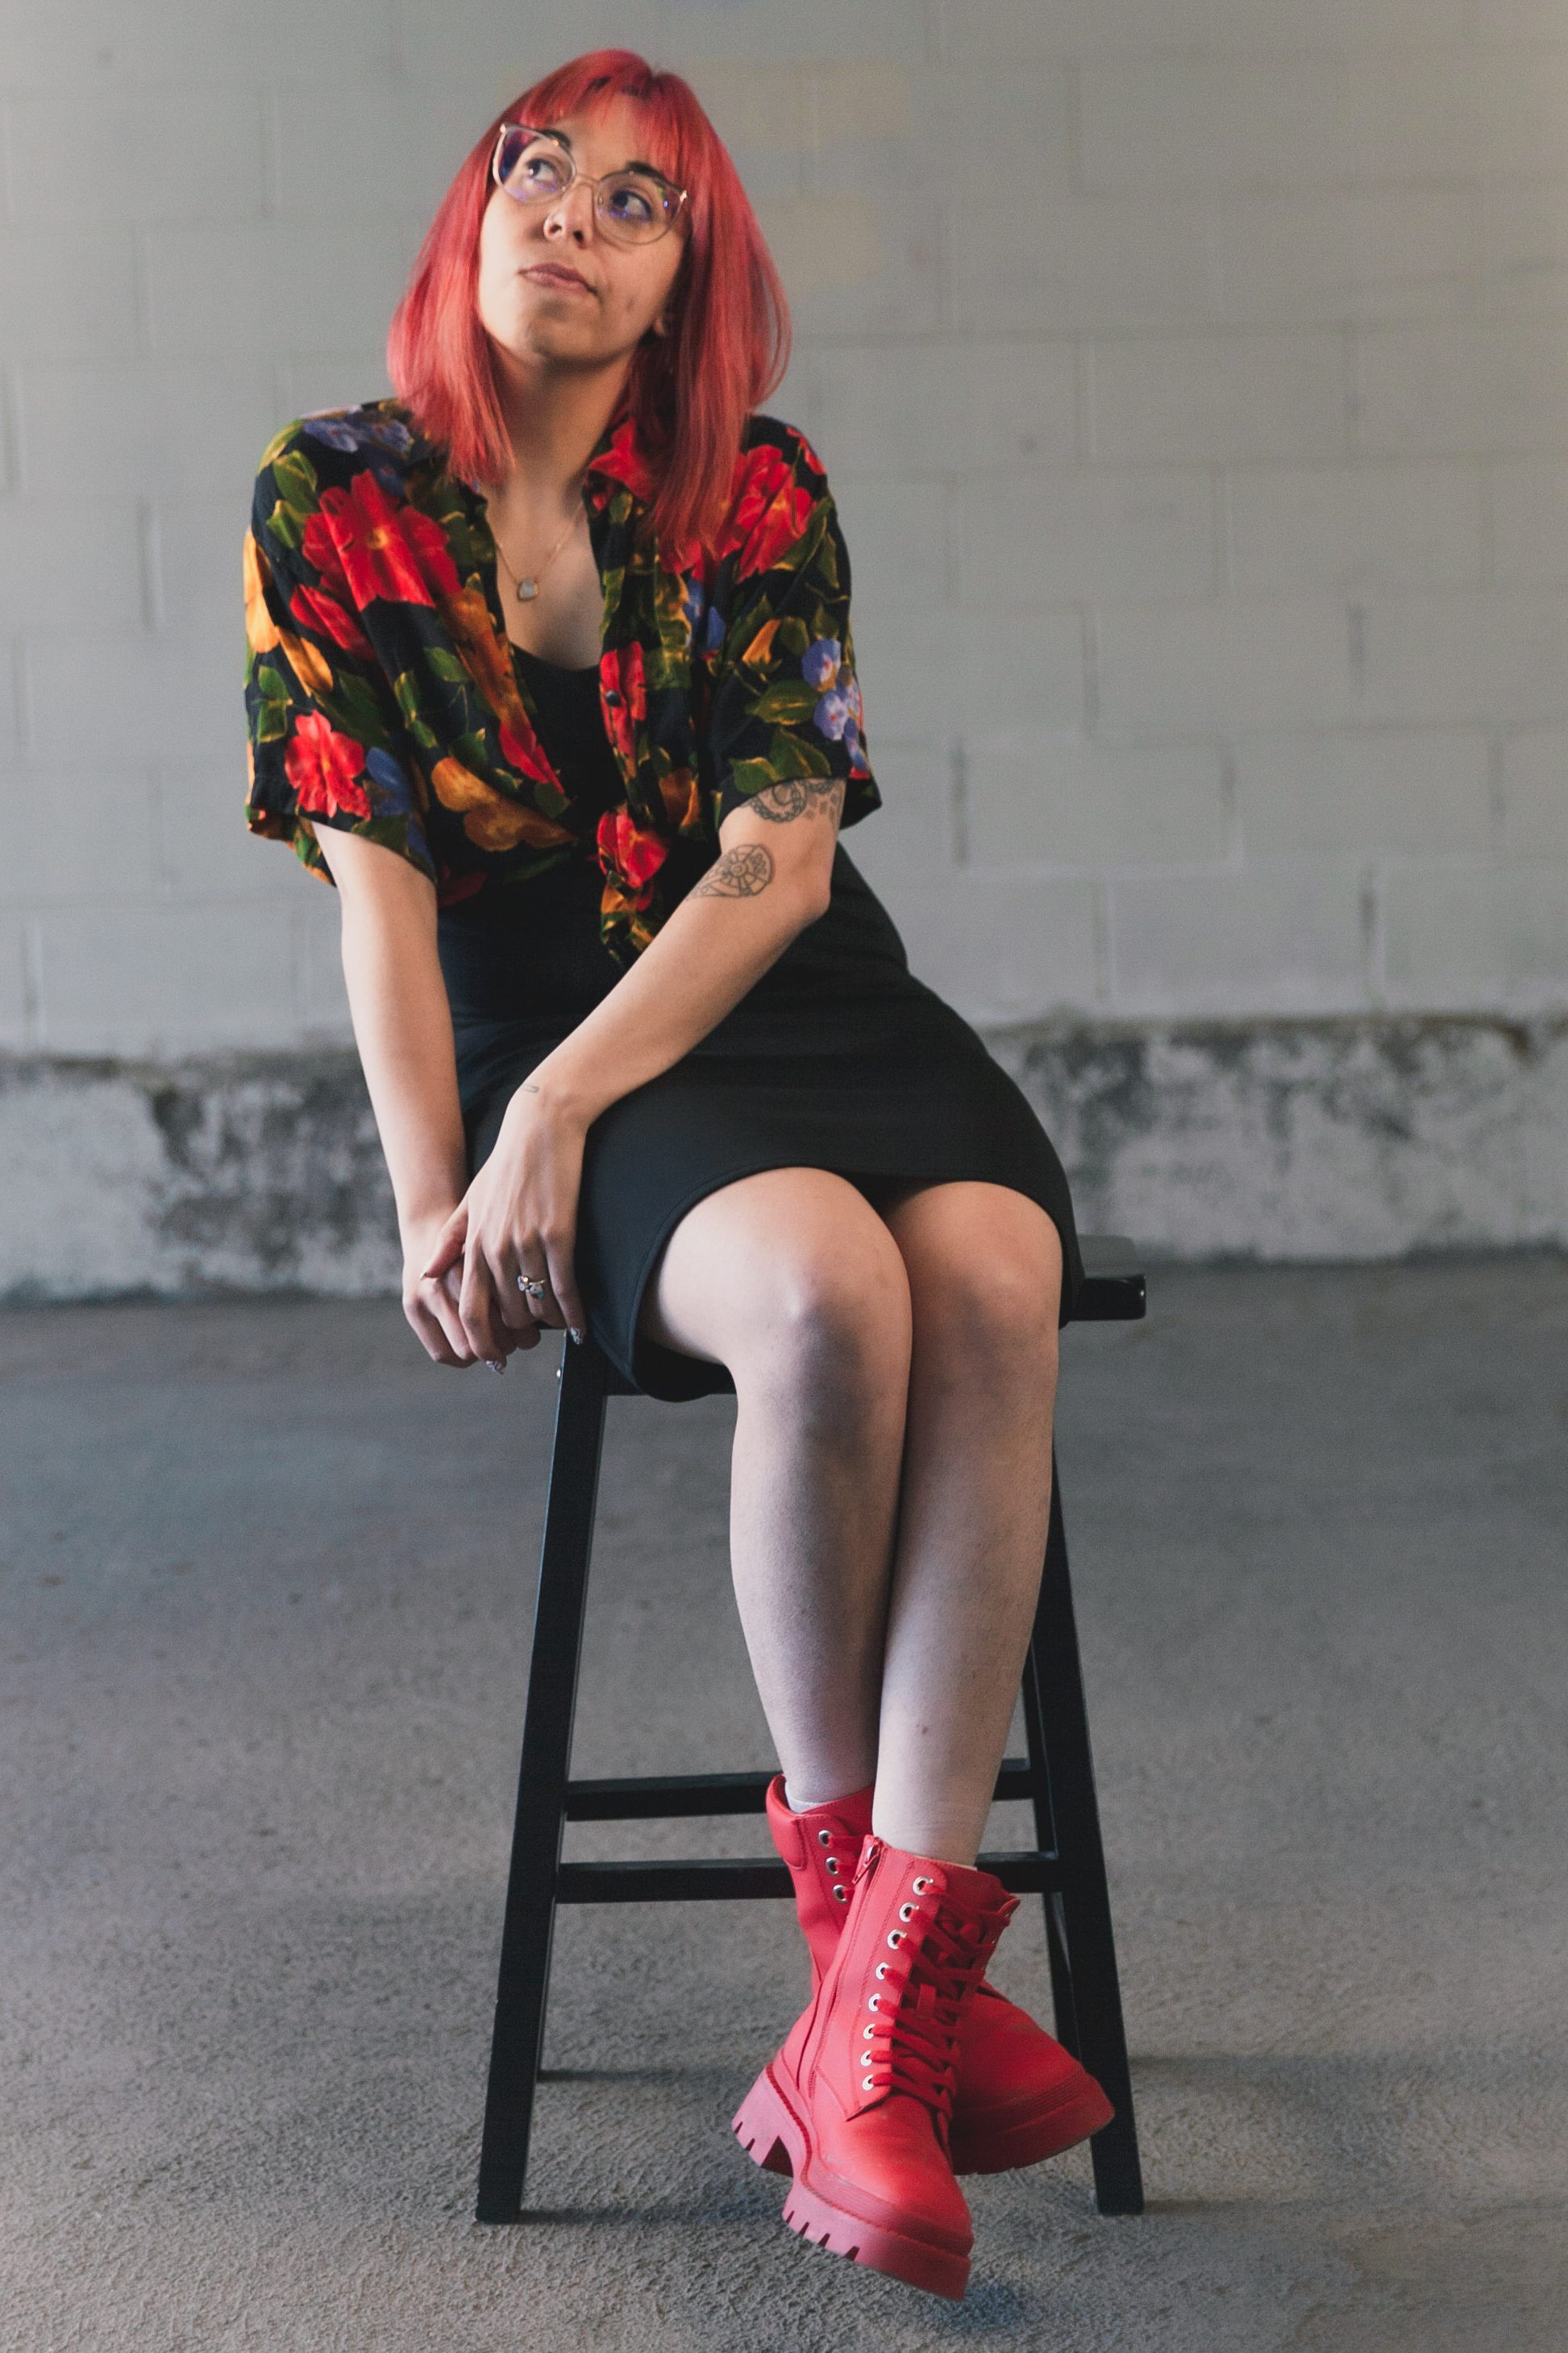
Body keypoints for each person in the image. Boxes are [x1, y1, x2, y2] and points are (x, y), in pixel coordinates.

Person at [241, 47, 1112, 2303]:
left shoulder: (755, 488)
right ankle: (891, 2005)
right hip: (552, 1033)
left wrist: (556, 1113)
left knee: (992, 1272)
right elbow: (378, 893)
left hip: (784, 993)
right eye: (541, 171)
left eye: (638, 201)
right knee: (823, 1294)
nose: (572, 215)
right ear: (477, 210)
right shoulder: (332, 494)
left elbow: (779, 866)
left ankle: (872, 2014)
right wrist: (447, 1187)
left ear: (682, 283)